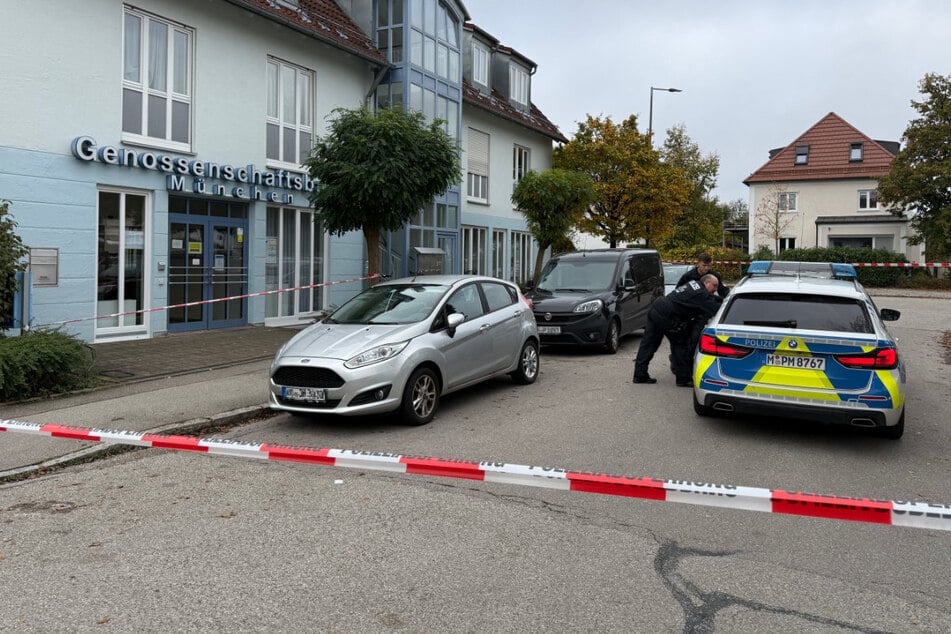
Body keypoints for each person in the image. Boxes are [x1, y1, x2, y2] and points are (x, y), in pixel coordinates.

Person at [633, 274, 722, 386]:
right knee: (680, 344)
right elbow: (715, 307)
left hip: (657, 308)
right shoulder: (701, 294)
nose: (715, 289)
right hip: (667, 316)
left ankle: (639, 375)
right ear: (706, 283)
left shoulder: (694, 284)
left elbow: (708, 299)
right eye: (714, 286)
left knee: (648, 343)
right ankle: (683, 379)